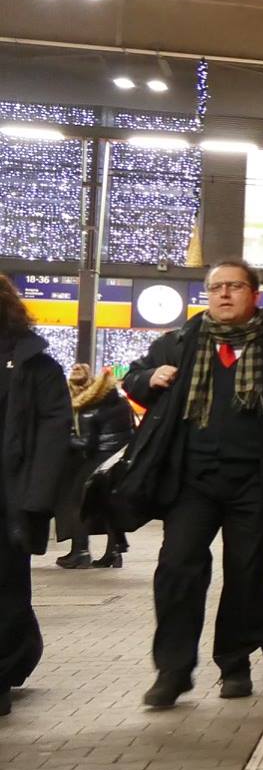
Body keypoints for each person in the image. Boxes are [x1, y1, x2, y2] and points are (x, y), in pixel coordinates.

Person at [117, 259, 263, 708]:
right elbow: (133, 381)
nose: (223, 294)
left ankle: (235, 662)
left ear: (254, 295)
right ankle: (173, 670)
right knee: (177, 568)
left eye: (234, 286)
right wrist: (148, 378)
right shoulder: (180, 342)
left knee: (246, 573)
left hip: (257, 481)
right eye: (216, 287)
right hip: (191, 481)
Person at [0, 276, 69, 715]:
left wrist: (36, 498)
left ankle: (3, 673)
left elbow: (54, 431)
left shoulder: (35, 364)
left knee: (6, 586)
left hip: (10, 495)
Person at [53, 365, 134, 569]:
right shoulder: (120, 401)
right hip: (119, 459)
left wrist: (65, 437)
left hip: (98, 460)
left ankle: (80, 552)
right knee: (109, 506)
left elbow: (86, 443)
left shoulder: (90, 407)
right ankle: (114, 553)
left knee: (77, 503)